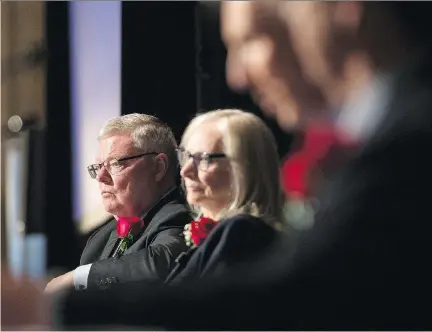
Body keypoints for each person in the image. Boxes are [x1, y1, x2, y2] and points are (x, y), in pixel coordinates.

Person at [10, 1, 432, 329]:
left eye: (253, 38)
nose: (238, 76)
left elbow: (292, 297)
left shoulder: (409, 134)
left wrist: (50, 304)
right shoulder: (103, 239)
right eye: (186, 158)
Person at [45, 113, 190, 293]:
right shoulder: (100, 239)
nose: (100, 177)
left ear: (158, 167)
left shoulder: (181, 218)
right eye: (98, 167)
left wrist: (77, 278)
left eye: (115, 164)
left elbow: (161, 264)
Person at [165, 109, 283, 284]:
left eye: (204, 159)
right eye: (187, 156)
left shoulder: (242, 232)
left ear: (243, 168)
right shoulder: (231, 233)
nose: (185, 171)